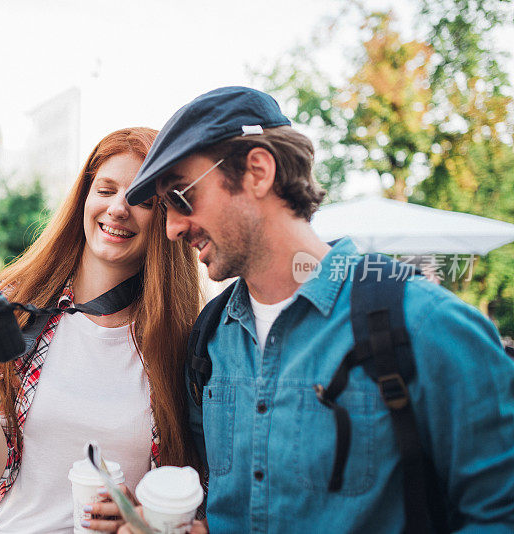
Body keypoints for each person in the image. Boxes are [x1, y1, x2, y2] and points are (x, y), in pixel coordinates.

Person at [121, 87, 514, 532]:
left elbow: (498, 513)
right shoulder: (209, 340)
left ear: (257, 171)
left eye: (180, 196)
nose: (171, 227)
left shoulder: (424, 323)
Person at [0, 127, 203, 533]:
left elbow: (191, 486)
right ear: (84, 199)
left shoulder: (182, 341)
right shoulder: (21, 305)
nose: (119, 208)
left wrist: (139, 510)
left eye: (142, 197)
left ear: (166, 217)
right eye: (106, 190)